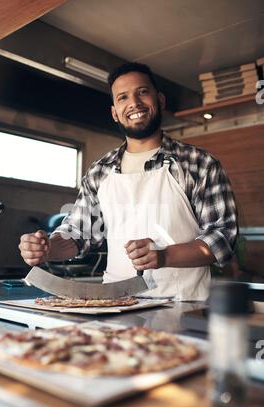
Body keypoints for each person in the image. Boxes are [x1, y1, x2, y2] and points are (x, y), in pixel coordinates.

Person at [19, 62, 238, 300]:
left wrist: (164, 256)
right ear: (115, 112)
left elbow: (222, 238)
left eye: (142, 92)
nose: (134, 103)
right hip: (116, 306)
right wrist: (48, 248)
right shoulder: (99, 171)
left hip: (184, 307)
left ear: (161, 100)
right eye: (123, 97)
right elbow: (78, 234)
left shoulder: (199, 164)